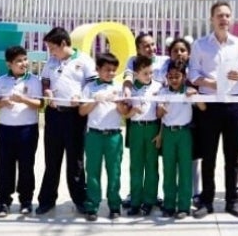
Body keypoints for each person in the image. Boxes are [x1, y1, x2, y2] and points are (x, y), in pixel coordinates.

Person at [189, 1, 238, 219]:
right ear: (211, 19)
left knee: (232, 155)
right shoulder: (200, 45)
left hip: (233, 104)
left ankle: (232, 201)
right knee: (208, 155)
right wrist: (210, 83)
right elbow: (193, 74)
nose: (223, 19)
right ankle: (206, 201)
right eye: (219, 15)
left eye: (227, 15)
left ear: (231, 18)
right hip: (209, 105)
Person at [36, 27, 97, 215]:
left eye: (52, 47)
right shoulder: (51, 61)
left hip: (75, 116)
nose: (50, 51)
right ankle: (46, 200)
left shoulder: (84, 60)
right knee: (52, 159)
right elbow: (45, 80)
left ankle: (80, 199)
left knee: (75, 160)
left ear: (63, 43)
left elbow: (93, 84)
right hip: (54, 114)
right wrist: (46, 90)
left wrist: (82, 96)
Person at [0, 46, 42, 217]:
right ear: (9, 64)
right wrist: (3, 102)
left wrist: (23, 99)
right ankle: (3, 201)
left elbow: (39, 104)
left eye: (25, 59)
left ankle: (26, 200)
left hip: (27, 129)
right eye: (18, 61)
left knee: (26, 166)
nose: (23, 63)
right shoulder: (1, 81)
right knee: (5, 166)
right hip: (5, 129)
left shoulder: (34, 80)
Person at [79, 52, 128, 221]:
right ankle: (92, 205)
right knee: (92, 171)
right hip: (94, 135)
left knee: (114, 172)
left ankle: (114, 205)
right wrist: (94, 100)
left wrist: (119, 104)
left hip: (113, 135)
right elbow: (81, 111)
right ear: (98, 69)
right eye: (107, 69)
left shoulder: (119, 87)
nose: (111, 73)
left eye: (114, 70)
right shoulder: (89, 88)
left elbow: (124, 113)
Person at [121, 33, 168, 209]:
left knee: (152, 164)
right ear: (138, 49)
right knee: (135, 164)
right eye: (146, 46)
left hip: (155, 123)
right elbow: (127, 77)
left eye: (153, 44)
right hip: (136, 125)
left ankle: (151, 197)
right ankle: (135, 197)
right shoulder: (132, 61)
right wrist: (127, 90)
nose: (151, 49)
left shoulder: (164, 60)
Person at [156, 60, 206, 219]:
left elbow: (204, 108)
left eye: (177, 76)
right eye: (170, 77)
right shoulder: (163, 92)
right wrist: (161, 111)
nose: (173, 79)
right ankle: (169, 204)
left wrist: (196, 96)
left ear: (184, 77)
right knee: (168, 170)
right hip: (169, 134)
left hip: (184, 134)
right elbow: (158, 115)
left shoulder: (189, 91)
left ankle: (184, 206)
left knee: (185, 170)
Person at [125, 55, 163, 216]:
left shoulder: (159, 87)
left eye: (151, 73)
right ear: (136, 73)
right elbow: (124, 113)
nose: (149, 76)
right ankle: (135, 201)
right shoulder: (130, 89)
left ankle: (149, 200)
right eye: (145, 73)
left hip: (153, 128)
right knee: (136, 166)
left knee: (152, 166)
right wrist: (132, 111)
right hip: (136, 129)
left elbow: (163, 115)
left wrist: (160, 133)